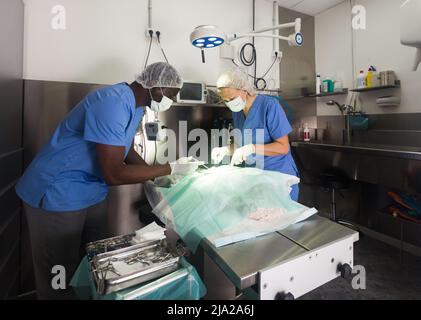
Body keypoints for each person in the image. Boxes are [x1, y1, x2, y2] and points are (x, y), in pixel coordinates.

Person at [15, 62, 198, 299]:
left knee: (95, 263)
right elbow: (113, 172)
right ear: (155, 86)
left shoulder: (138, 108)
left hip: (89, 192)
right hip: (57, 190)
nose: (171, 101)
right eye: (171, 94)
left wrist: (159, 176)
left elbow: (127, 148)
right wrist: (169, 167)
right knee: (59, 274)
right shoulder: (113, 102)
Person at [211, 68, 300, 201]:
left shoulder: (269, 106)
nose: (229, 103)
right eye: (225, 100)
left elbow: (283, 147)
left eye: (232, 98)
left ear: (244, 89)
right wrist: (226, 150)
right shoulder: (237, 111)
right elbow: (241, 145)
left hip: (278, 178)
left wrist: (252, 148)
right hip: (255, 178)